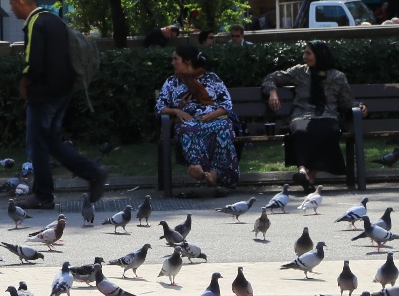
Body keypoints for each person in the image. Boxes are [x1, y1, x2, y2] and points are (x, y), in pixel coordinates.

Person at [7, 0, 107, 208]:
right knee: (50, 141)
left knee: (37, 144)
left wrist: (24, 84)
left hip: (43, 94)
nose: (12, 9)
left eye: (12, 4)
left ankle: (43, 195)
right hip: (63, 91)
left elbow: (34, 62)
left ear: (21, 2)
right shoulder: (54, 20)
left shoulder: (34, 23)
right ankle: (93, 173)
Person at [262, 40, 367, 191]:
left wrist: (360, 106)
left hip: (327, 115)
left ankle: (309, 177)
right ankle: (303, 170)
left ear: (320, 55)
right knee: (300, 131)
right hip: (302, 114)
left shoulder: (338, 77)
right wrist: (272, 91)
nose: (304, 56)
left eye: (308, 53)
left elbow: (346, 102)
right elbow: (271, 78)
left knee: (327, 131)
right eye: (304, 53)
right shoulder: (299, 72)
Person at [156, 46, 240, 188]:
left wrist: (212, 115)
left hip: (213, 119)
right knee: (188, 128)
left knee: (223, 128)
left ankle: (214, 173)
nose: (172, 62)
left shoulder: (212, 78)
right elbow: (160, 107)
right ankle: (199, 168)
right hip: (189, 121)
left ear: (187, 61)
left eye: (175, 59)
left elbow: (226, 104)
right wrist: (176, 112)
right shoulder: (172, 82)